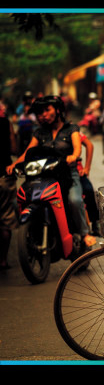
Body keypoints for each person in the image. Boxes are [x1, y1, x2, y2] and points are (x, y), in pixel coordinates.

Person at [6, 95, 96, 248]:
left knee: (75, 200)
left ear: (58, 110)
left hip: (68, 174)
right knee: (21, 199)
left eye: (47, 110)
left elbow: (78, 149)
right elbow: (28, 152)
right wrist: (15, 163)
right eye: (40, 113)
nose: (44, 115)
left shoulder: (71, 129)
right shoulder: (39, 133)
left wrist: (73, 157)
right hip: (44, 175)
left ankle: (84, 233)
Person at [0, 116, 18, 270]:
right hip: (4, 176)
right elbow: (14, 149)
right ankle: (3, 260)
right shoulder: (5, 122)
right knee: (5, 218)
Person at [78, 132, 99, 236]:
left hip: (75, 171)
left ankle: (95, 222)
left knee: (88, 190)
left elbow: (89, 144)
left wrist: (87, 168)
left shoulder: (72, 130)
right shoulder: (40, 133)